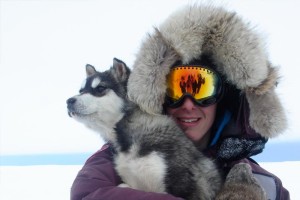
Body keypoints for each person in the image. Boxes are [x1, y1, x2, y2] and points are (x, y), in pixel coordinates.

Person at [71, 4, 290, 200]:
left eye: (200, 88)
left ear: (224, 98)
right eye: (175, 89)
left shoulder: (266, 186)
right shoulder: (118, 155)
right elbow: (87, 193)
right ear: (159, 95)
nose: (187, 104)